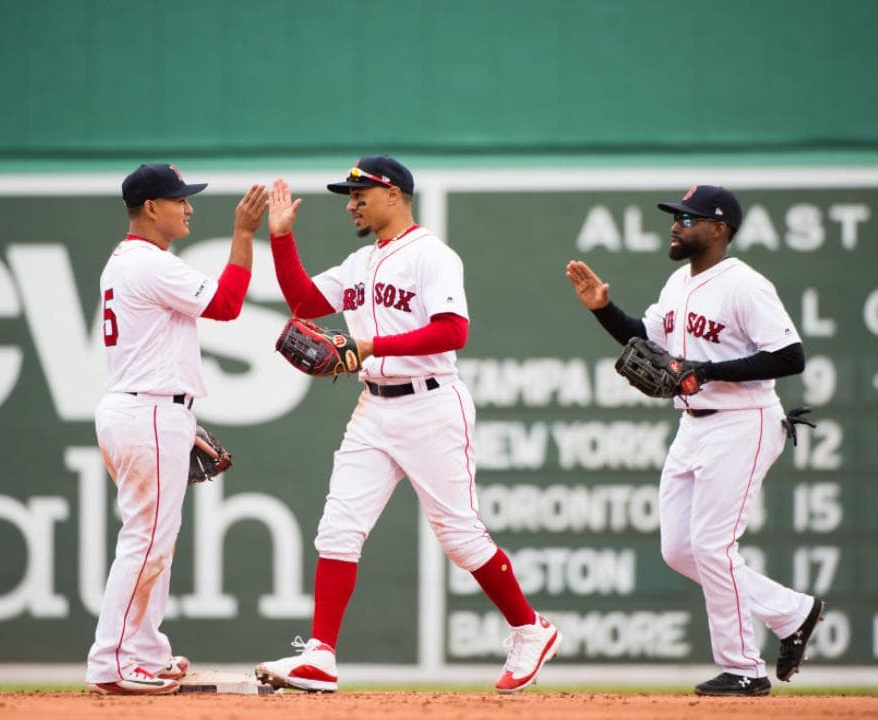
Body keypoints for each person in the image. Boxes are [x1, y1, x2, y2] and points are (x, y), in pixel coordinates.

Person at [254, 156, 558, 694]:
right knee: (338, 527)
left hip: (431, 405)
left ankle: (529, 629)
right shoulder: (358, 263)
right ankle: (321, 654)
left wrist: (371, 344)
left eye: (359, 194)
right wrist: (281, 238)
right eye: (348, 196)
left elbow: (453, 331)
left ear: (393, 194)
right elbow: (303, 301)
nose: (350, 204)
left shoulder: (432, 255)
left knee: (460, 537)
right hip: (373, 407)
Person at [565, 185, 825, 697]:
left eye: (689, 218)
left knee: (711, 545)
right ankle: (792, 611)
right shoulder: (679, 283)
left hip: (742, 421)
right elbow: (651, 344)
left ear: (720, 229)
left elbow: (790, 356)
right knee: (680, 549)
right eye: (677, 217)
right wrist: (603, 309)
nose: (677, 225)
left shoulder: (744, 285)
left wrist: (706, 371)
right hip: (693, 425)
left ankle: (743, 669)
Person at [84, 164, 265, 695]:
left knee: (155, 540)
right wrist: (243, 235)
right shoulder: (149, 264)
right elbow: (229, 306)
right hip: (148, 412)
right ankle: (113, 661)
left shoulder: (130, 262)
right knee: (146, 540)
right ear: (149, 208)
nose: (188, 207)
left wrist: (182, 420)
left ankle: (142, 650)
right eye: (178, 199)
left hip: (149, 408)